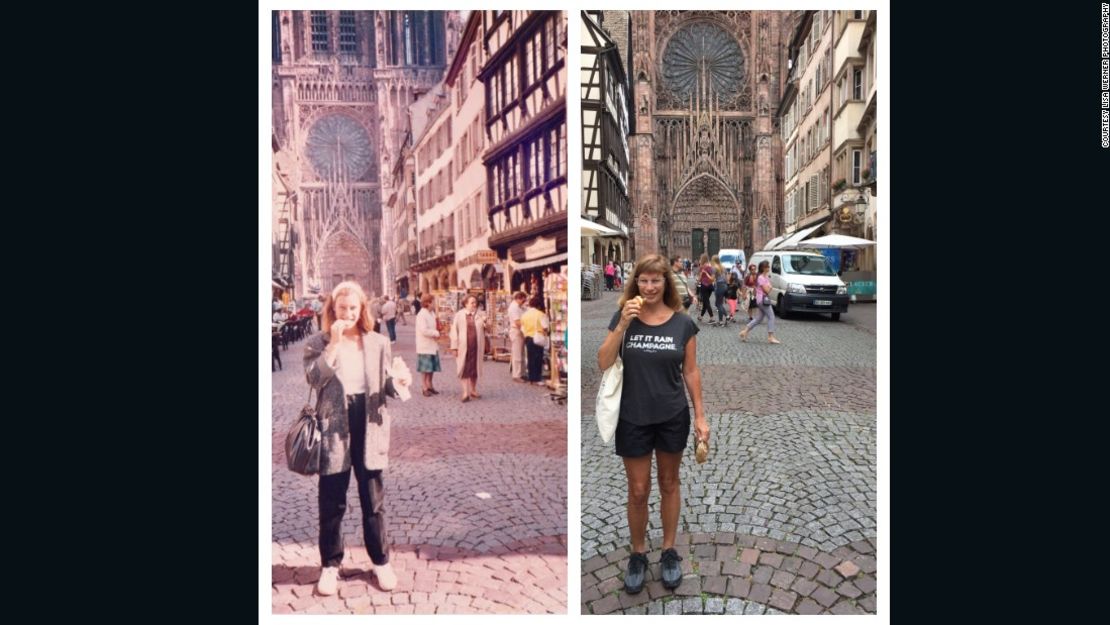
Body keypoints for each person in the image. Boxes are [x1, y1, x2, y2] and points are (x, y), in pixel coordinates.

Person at [597, 254, 708, 594]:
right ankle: (638, 553)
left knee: (669, 483)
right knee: (638, 490)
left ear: (666, 283)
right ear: (635, 283)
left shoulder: (682, 323)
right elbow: (603, 362)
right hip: (633, 415)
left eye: (656, 280)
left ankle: (669, 550)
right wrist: (621, 326)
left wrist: (701, 415)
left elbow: (690, 370)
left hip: (672, 414)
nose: (649, 286)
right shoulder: (623, 317)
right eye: (643, 280)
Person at [303, 281, 410, 596]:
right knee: (332, 501)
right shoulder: (317, 342)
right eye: (342, 308)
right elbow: (314, 378)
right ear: (332, 310)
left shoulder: (377, 342)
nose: (347, 314)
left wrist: (399, 382)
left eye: (353, 308)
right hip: (333, 425)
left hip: (369, 422)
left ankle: (381, 561)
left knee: (373, 500)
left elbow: (385, 385)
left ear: (363, 309)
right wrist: (333, 346)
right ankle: (330, 565)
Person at [449, 295, 487, 402]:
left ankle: (473, 390)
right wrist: (454, 347)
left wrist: (485, 322)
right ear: (466, 304)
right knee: (464, 368)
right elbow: (454, 332)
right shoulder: (459, 315)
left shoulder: (480, 314)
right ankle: (465, 392)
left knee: (475, 369)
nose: (475, 304)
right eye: (472, 303)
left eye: (475, 302)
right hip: (463, 347)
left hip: (476, 347)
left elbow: (486, 329)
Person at [740, 260, 781, 344]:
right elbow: (767, 290)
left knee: (758, 318)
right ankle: (770, 337)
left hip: (761, 299)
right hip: (763, 299)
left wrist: (769, 287)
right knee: (771, 316)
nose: (769, 268)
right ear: (763, 268)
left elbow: (768, 287)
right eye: (768, 266)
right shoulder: (761, 278)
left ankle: (745, 331)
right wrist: (770, 287)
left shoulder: (764, 276)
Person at [414, 293, 441, 397]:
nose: (435, 304)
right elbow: (424, 330)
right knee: (425, 368)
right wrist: (436, 333)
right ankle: (424, 386)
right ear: (428, 303)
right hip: (424, 346)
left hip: (432, 344)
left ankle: (430, 385)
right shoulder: (422, 314)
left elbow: (434, 326)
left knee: (432, 367)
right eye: (433, 302)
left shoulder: (432, 313)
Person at [520, 295, 550, 386]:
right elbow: (545, 327)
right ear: (539, 305)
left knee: (530, 358)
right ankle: (537, 378)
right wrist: (546, 333)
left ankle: (531, 378)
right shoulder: (540, 314)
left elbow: (522, 327)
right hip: (538, 337)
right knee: (538, 358)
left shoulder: (525, 315)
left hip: (528, 337)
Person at [507, 291, 528, 382]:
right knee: (517, 353)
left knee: (522, 353)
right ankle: (517, 375)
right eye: (523, 300)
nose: (524, 302)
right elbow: (517, 322)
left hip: (520, 331)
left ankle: (522, 373)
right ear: (519, 298)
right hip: (516, 331)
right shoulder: (514, 307)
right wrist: (525, 330)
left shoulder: (519, 307)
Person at [696, 253, 714, 323]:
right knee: (706, 301)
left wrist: (698, 280)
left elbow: (700, 278)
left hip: (704, 286)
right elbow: (712, 277)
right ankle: (701, 316)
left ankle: (712, 317)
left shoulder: (702, 267)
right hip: (710, 286)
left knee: (706, 302)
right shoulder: (710, 266)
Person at [711, 255, 728, 326]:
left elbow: (712, 279)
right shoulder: (723, 267)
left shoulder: (715, 268)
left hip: (719, 286)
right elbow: (726, 278)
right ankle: (723, 319)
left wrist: (706, 275)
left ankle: (725, 318)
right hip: (725, 285)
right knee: (719, 303)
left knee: (719, 304)